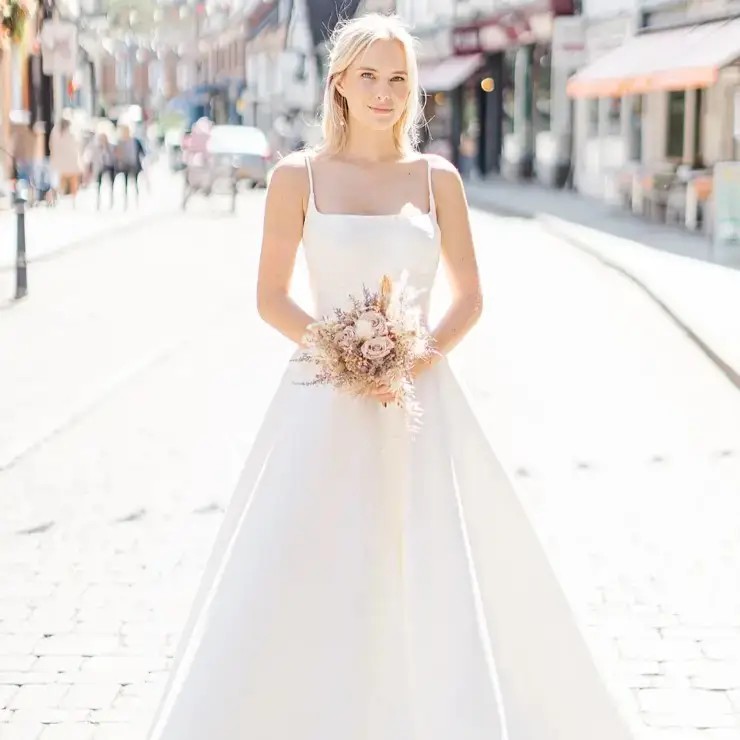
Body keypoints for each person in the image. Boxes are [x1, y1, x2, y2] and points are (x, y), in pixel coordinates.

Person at [145, 14, 634, 740]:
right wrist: (343, 358)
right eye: (369, 76)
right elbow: (271, 298)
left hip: (419, 403)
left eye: (398, 79)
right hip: (320, 404)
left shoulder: (438, 180)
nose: (384, 93)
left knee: (429, 565)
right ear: (338, 82)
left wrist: (408, 363)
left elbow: (469, 298)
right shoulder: (295, 177)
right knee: (306, 565)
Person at [49, 117, 82, 205]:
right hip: (71, 161)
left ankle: (56, 198)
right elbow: (77, 145)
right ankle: (73, 200)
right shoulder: (72, 132)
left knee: (58, 182)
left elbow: (51, 145)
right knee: (73, 181)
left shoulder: (55, 132)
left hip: (59, 161)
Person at [114, 123, 143, 209]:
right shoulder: (120, 142)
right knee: (126, 183)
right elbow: (117, 153)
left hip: (134, 164)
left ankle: (137, 201)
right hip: (125, 165)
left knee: (135, 183)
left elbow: (141, 152)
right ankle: (126, 202)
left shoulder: (135, 141)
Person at [86, 132, 116, 210]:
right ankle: (98, 201)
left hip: (109, 166)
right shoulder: (96, 147)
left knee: (111, 184)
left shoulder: (110, 146)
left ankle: (111, 200)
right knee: (99, 184)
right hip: (100, 167)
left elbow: (113, 156)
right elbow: (92, 157)